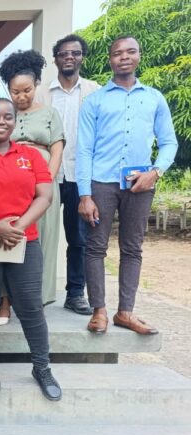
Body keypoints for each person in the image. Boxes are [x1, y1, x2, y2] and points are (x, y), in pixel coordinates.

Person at [0, 98, 62, 402]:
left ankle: (42, 367)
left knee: (30, 306)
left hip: (24, 241)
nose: (1, 122)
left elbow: (44, 196)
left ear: (14, 122)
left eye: (7, 117)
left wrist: (17, 227)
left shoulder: (31, 156)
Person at [77, 36, 178, 335]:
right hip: (102, 183)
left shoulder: (155, 98)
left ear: (139, 56)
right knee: (95, 248)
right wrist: (85, 195)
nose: (124, 57)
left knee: (132, 248)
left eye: (130, 52)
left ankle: (125, 312)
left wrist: (155, 173)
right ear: (110, 59)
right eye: (117, 53)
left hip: (140, 184)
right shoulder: (95, 101)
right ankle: (99, 311)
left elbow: (169, 142)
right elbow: (84, 149)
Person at [0, 50, 65, 316]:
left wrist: (44, 181)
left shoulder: (49, 114)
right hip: (9, 183)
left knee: (38, 241)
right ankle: (4, 302)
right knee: (1, 239)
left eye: (27, 90)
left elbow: (57, 150)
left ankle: (35, 301)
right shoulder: (3, 114)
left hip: (41, 185)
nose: (21, 96)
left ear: (36, 85)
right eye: (15, 92)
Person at [36, 34, 100, 316]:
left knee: (79, 239)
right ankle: (35, 293)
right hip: (47, 176)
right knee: (40, 237)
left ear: (82, 57)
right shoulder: (41, 93)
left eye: (75, 53)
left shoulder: (94, 91)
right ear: (56, 59)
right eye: (64, 53)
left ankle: (75, 294)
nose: (69, 57)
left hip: (79, 176)